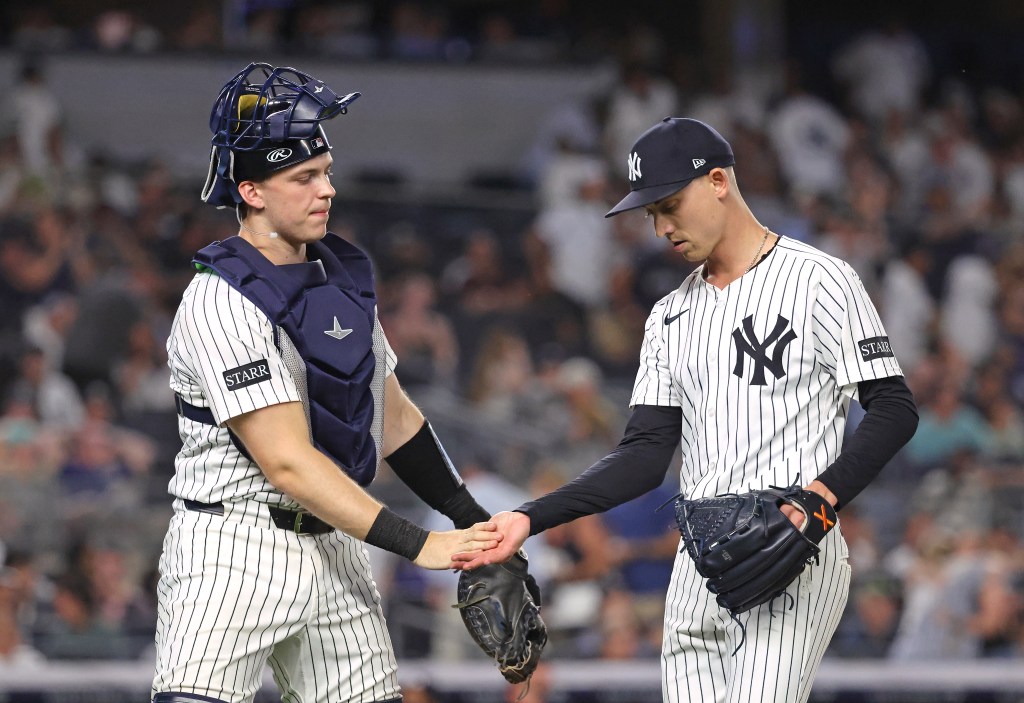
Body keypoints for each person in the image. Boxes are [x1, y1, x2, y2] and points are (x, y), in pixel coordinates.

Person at [456, 117, 919, 703]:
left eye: (670, 206)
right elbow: (644, 455)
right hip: (697, 563)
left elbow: (893, 409)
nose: (661, 228)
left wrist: (821, 500)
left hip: (792, 552)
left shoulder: (819, 280)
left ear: (718, 181)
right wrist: (530, 517)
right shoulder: (668, 316)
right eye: (652, 213)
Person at [151, 62, 503, 703]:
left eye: (327, 172)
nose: (327, 190)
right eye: (304, 177)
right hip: (234, 546)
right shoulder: (219, 300)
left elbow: (394, 419)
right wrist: (420, 544)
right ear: (252, 191)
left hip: (337, 542)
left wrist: (474, 525)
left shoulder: (337, 279)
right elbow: (286, 462)